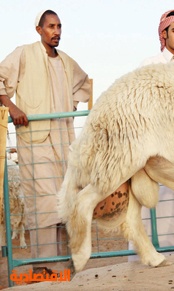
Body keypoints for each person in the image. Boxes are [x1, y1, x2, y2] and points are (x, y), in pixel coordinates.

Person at [0, 9, 91, 276]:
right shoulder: (24, 53)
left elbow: (84, 85)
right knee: (43, 203)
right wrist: (12, 108)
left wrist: (70, 108)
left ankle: (65, 267)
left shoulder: (65, 61)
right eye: (51, 26)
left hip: (64, 143)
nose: (57, 32)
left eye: (59, 26)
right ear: (39, 30)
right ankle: (44, 268)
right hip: (34, 141)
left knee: (66, 201)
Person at [124, 9, 174, 261]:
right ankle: (147, 258)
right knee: (152, 205)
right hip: (155, 151)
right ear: (164, 33)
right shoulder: (150, 66)